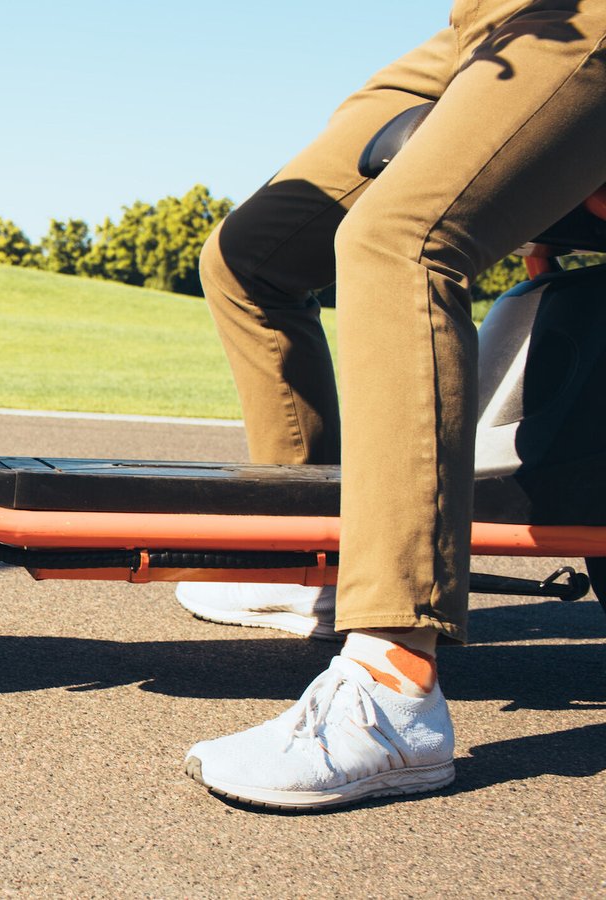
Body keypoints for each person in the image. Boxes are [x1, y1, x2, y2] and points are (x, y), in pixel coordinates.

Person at [176, 0, 606, 810]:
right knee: (247, 256)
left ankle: (394, 687)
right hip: (485, 23)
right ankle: (315, 560)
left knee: (398, 240)